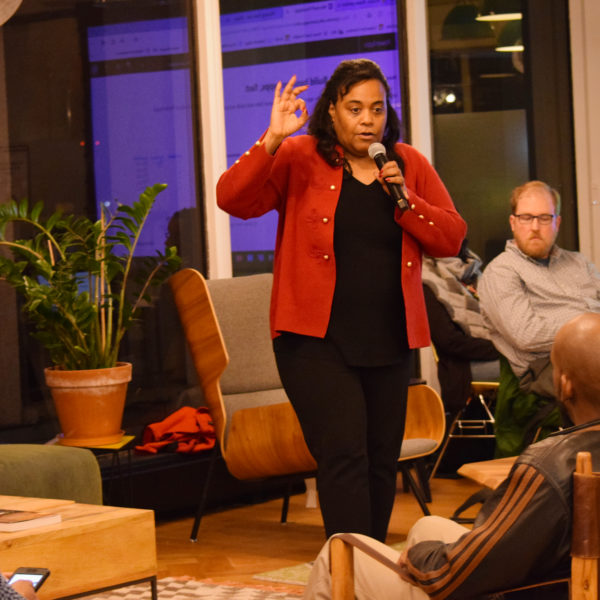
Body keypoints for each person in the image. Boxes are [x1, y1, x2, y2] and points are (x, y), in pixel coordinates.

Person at [216, 58, 466, 542]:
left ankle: (366, 568)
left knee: (379, 461)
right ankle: (348, 574)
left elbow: (451, 238)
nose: (367, 119)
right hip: (313, 341)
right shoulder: (298, 155)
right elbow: (234, 200)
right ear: (332, 111)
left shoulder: (406, 163)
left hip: (389, 340)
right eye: (354, 108)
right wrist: (271, 139)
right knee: (345, 453)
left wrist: (405, 199)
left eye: (376, 108)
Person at [304, 312, 600, 599]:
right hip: (567, 582)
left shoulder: (551, 464)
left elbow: (457, 576)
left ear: (564, 385)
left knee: (337, 551)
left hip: (531, 592)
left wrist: (420, 558)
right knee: (426, 527)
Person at [479, 180, 600, 399]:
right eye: (527, 218)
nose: (535, 227)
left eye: (544, 218)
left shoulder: (579, 263)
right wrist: (589, 327)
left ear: (557, 222)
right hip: (549, 369)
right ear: (513, 222)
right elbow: (528, 336)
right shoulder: (501, 271)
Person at [422, 241, 499, 416]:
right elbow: (449, 341)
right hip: (462, 367)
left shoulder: (472, 270)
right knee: (527, 369)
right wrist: (500, 348)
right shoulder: (428, 281)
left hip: (497, 352)